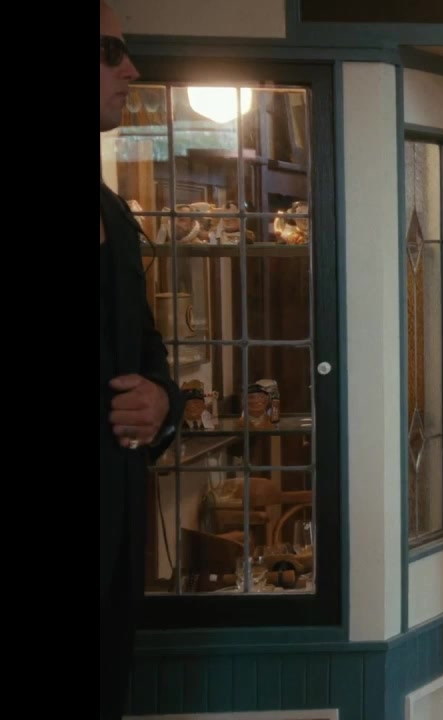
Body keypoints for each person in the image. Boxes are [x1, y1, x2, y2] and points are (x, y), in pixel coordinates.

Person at [101, 2, 185, 718]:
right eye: (109, 52)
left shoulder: (115, 215)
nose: (131, 69)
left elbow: (147, 350)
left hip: (117, 533)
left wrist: (162, 401)